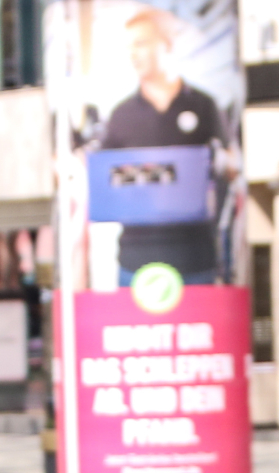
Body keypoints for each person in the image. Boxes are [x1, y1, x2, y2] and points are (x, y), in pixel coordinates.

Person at [96, 8, 235, 285]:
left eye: (141, 43)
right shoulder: (121, 114)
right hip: (136, 261)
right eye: (129, 46)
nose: (133, 54)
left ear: (167, 44)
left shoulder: (203, 105)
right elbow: (104, 177)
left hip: (195, 257)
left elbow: (232, 164)